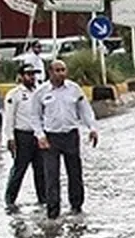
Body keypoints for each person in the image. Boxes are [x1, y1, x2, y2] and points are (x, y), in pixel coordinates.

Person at [30, 59, 98, 220]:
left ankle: (76, 207)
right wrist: (40, 135)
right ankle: (53, 212)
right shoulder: (41, 92)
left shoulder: (74, 89)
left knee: (75, 173)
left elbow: (85, 110)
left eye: (63, 70)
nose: (61, 73)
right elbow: (34, 116)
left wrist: (92, 128)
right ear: (50, 72)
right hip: (50, 137)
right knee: (51, 175)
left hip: (70, 136)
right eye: (57, 70)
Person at [2, 63, 45, 212]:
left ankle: (43, 199)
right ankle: (10, 199)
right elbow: (9, 118)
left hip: (38, 135)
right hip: (22, 136)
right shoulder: (15, 94)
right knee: (19, 169)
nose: (32, 77)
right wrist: (10, 138)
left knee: (41, 169)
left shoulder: (40, 92)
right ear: (21, 76)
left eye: (34, 74)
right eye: (28, 74)